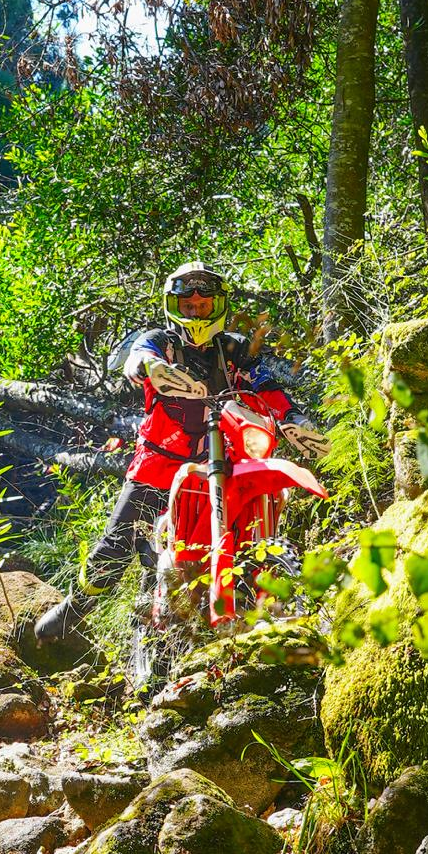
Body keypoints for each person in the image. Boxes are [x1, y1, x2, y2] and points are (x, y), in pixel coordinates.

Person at [34, 261, 330, 643]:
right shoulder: (160, 341)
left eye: (202, 304)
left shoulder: (233, 349)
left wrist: (292, 416)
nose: (195, 309)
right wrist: (151, 367)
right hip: (159, 462)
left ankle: (258, 600)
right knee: (117, 542)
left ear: (217, 306)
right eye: (187, 304)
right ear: (174, 305)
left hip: (220, 459)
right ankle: (74, 609)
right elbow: (138, 357)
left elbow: (264, 381)